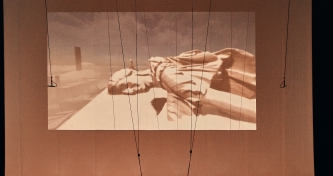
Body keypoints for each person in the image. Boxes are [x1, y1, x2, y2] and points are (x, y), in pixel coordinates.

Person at [107, 48, 256, 124]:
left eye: (126, 85)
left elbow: (213, 98)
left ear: (132, 73)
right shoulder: (164, 72)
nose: (130, 92)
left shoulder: (167, 75)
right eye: (124, 93)